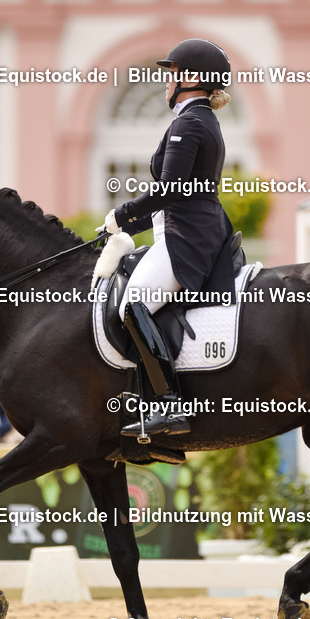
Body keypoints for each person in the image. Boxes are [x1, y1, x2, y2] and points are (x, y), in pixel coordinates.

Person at [100, 38, 235, 438]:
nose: (165, 83)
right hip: (188, 229)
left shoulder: (190, 122)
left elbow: (171, 190)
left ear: (192, 78)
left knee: (133, 303)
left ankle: (168, 405)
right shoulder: (198, 120)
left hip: (187, 238)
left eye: (171, 75)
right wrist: (124, 228)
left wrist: (121, 213)